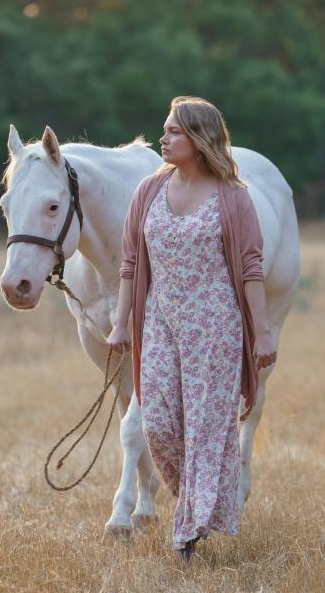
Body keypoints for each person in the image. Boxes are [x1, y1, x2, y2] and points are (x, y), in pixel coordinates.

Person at [107, 96, 276, 562]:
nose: (163, 139)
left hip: (215, 327)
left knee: (205, 427)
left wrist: (261, 332)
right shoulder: (147, 191)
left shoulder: (232, 196)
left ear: (200, 140)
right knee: (158, 424)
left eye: (174, 132)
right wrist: (122, 323)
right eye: (164, 130)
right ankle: (202, 501)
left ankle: (188, 532)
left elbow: (251, 266)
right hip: (161, 323)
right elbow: (130, 263)